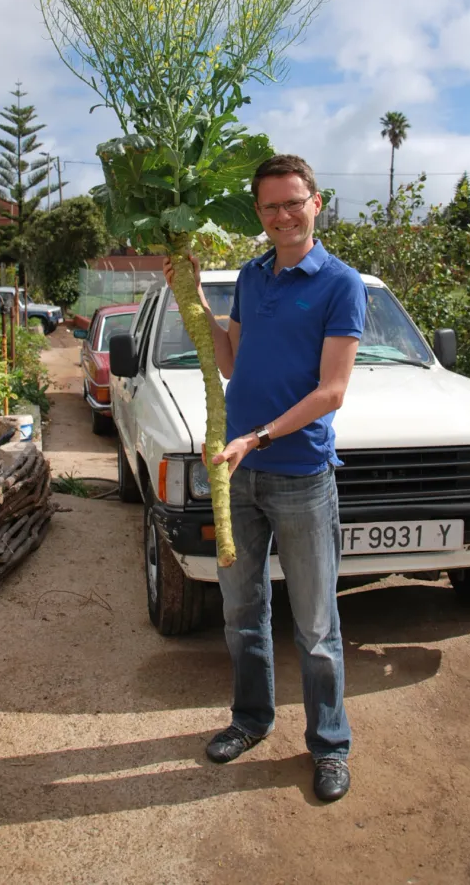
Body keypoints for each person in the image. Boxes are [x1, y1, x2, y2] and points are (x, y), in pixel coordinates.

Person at [164, 153, 367, 803]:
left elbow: (331, 391)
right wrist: (194, 296)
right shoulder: (251, 277)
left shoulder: (340, 283)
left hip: (299, 473)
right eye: (270, 205)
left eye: (293, 201)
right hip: (238, 475)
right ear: (259, 212)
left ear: (317, 202)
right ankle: (251, 720)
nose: (282, 214)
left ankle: (329, 745)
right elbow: (231, 362)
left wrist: (259, 437)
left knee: (315, 623)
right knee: (242, 611)